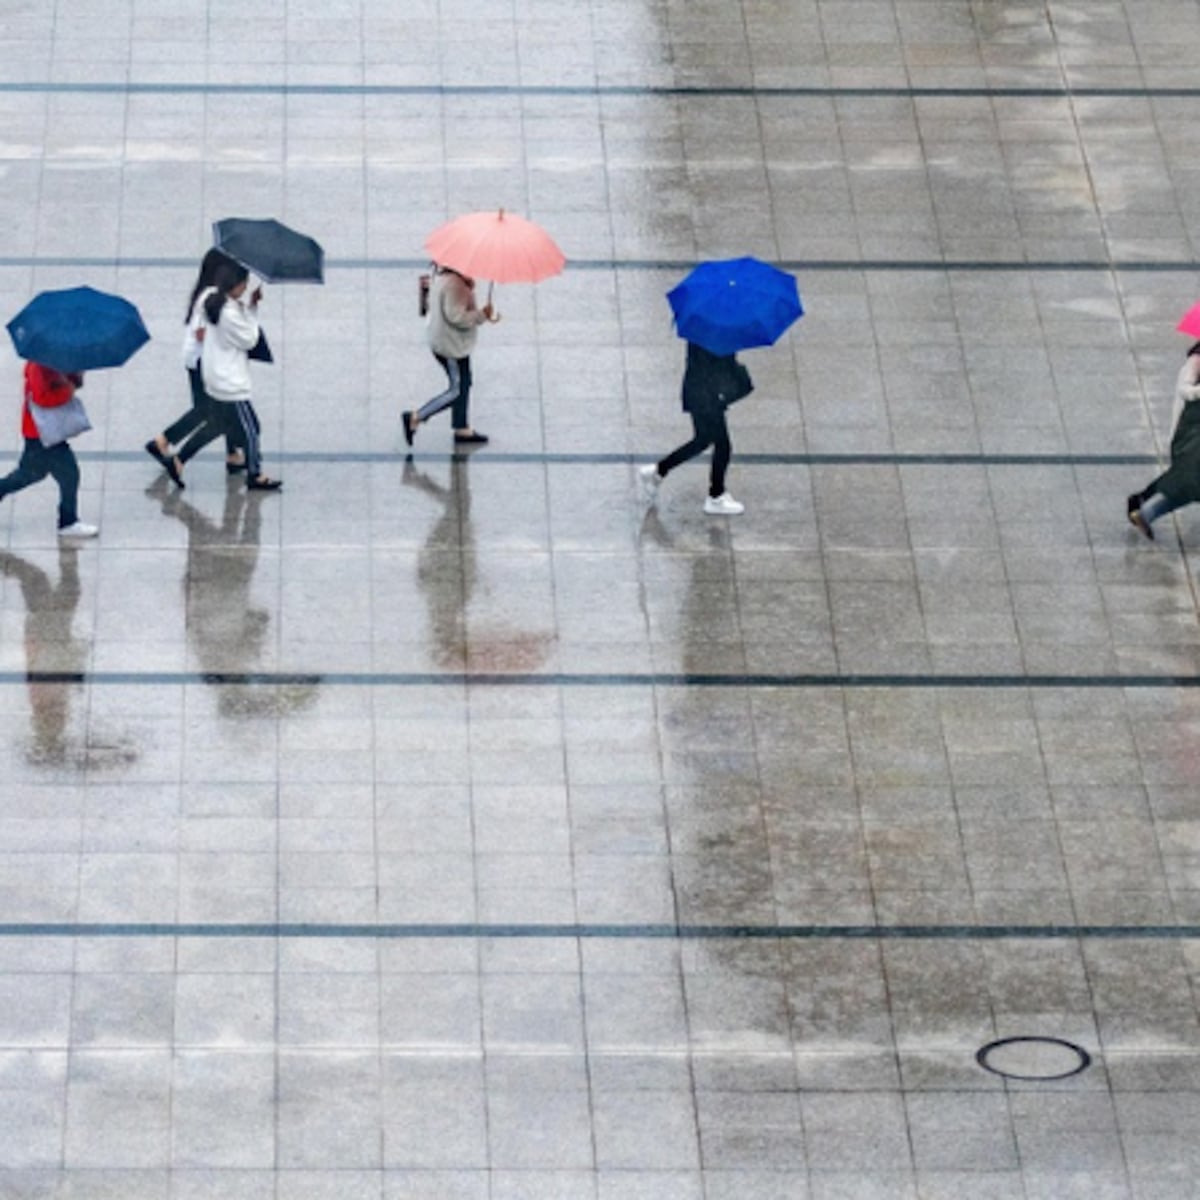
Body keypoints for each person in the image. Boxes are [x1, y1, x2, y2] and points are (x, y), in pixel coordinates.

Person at [144, 248, 248, 486]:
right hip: (204, 363)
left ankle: (233, 455)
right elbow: (203, 334)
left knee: (218, 410)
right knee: (214, 412)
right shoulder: (210, 297)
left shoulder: (211, 293)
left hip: (199, 361)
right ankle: (164, 443)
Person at [191, 260, 281, 491]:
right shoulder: (229, 313)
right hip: (230, 381)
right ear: (237, 285)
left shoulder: (210, 297)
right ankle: (255, 474)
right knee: (251, 429)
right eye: (245, 283)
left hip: (214, 375)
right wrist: (252, 310)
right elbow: (249, 339)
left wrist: (246, 305)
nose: (246, 287)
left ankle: (180, 458)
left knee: (221, 425)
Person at [639, 341, 753, 515]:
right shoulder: (718, 336)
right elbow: (720, 365)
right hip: (708, 396)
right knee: (723, 445)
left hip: (697, 391)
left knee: (702, 440)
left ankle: (659, 470)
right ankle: (716, 496)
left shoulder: (701, 332)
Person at [0, 362, 97, 537]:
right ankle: (68, 522)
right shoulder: (38, 366)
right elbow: (41, 398)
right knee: (69, 473)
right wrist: (68, 390)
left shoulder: (52, 361)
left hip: (41, 432)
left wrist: (75, 377)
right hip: (41, 434)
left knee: (29, 474)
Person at [402, 264, 495, 447]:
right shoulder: (455, 284)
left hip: (453, 341)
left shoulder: (447, 277)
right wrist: (481, 315)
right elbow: (456, 317)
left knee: (465, 381)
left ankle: (462, 427)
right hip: (451, 345)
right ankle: (416, 417)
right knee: (456, 390)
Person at [1129, 341, 1200, 539]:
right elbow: (1185, 390)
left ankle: (1144, 507)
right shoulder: (1197, 359)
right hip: (1194, 429)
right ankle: (1144, 506)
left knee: (1188, 482)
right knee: (1188, 479)